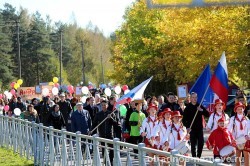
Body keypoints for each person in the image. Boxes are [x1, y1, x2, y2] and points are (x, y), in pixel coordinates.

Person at [91, 100, 119, 166]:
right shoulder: (98, 114)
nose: (103, 106)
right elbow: (94, 124)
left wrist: (111, 118)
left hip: (110, 134)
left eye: (105, 105)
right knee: (104, 149)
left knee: (112, 149)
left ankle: (111, 161)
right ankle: (105, 162)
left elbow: (116, 124)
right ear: (101, 106)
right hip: (102, 134)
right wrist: (91, 131)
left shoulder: (111, 113)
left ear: (107, 105)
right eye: (102, 105)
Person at [182, 92, 210, 158]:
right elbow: (184, 120)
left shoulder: (199, 105)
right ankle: (194, 157)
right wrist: (187, 127)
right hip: (192, 129)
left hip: (199, 128)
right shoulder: (188, 107)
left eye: (195, 97)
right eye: (193, 97)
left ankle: (199, 157)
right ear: (190, 98)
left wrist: (201, 110)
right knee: (193, 145)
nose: (194, 99)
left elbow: (207, 114)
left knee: (201, 143)